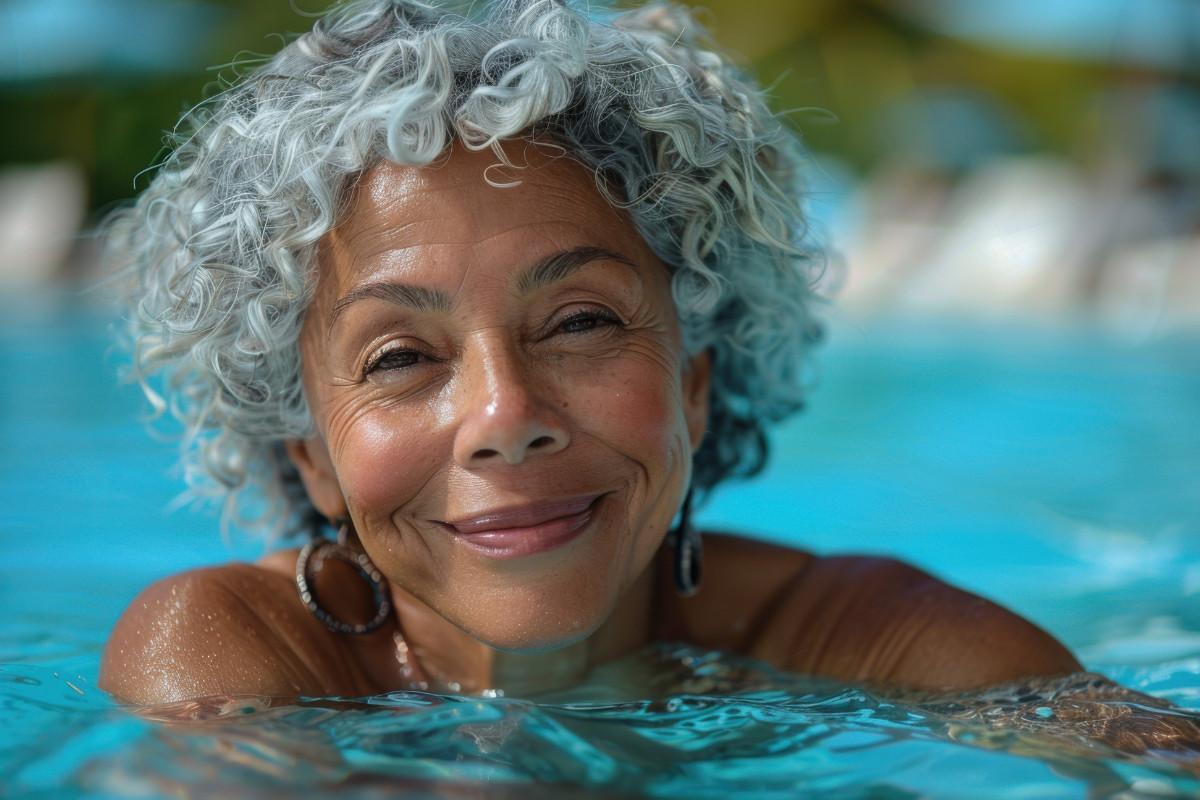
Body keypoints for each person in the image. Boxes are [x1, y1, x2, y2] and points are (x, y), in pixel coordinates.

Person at [99, 0, 1080, 704]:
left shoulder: (881, 642)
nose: (505, 416)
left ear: (696, 383)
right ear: (307, 450)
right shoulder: (233, 656)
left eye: (581, 322)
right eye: (399, 356)